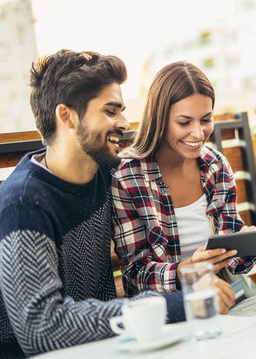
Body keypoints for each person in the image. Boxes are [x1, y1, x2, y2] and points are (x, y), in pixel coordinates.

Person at [0, 50, 235, 358]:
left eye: (122, 111)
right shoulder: (24, 204)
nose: (124, 122)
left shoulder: (106, 174)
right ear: (67, 116)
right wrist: (184, 302)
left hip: (113, 347)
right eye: (111, 112)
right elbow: (41, 328)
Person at [111, 61, 256, 298]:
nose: (199, 133)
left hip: (227, 295)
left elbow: (235, 266)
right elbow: (135, 274)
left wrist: (247, 245)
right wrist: (184, 272)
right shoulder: (126, 178)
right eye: (184, 122)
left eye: (205, 119)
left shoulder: (215, 165)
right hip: (168, 309)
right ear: (160, 119)